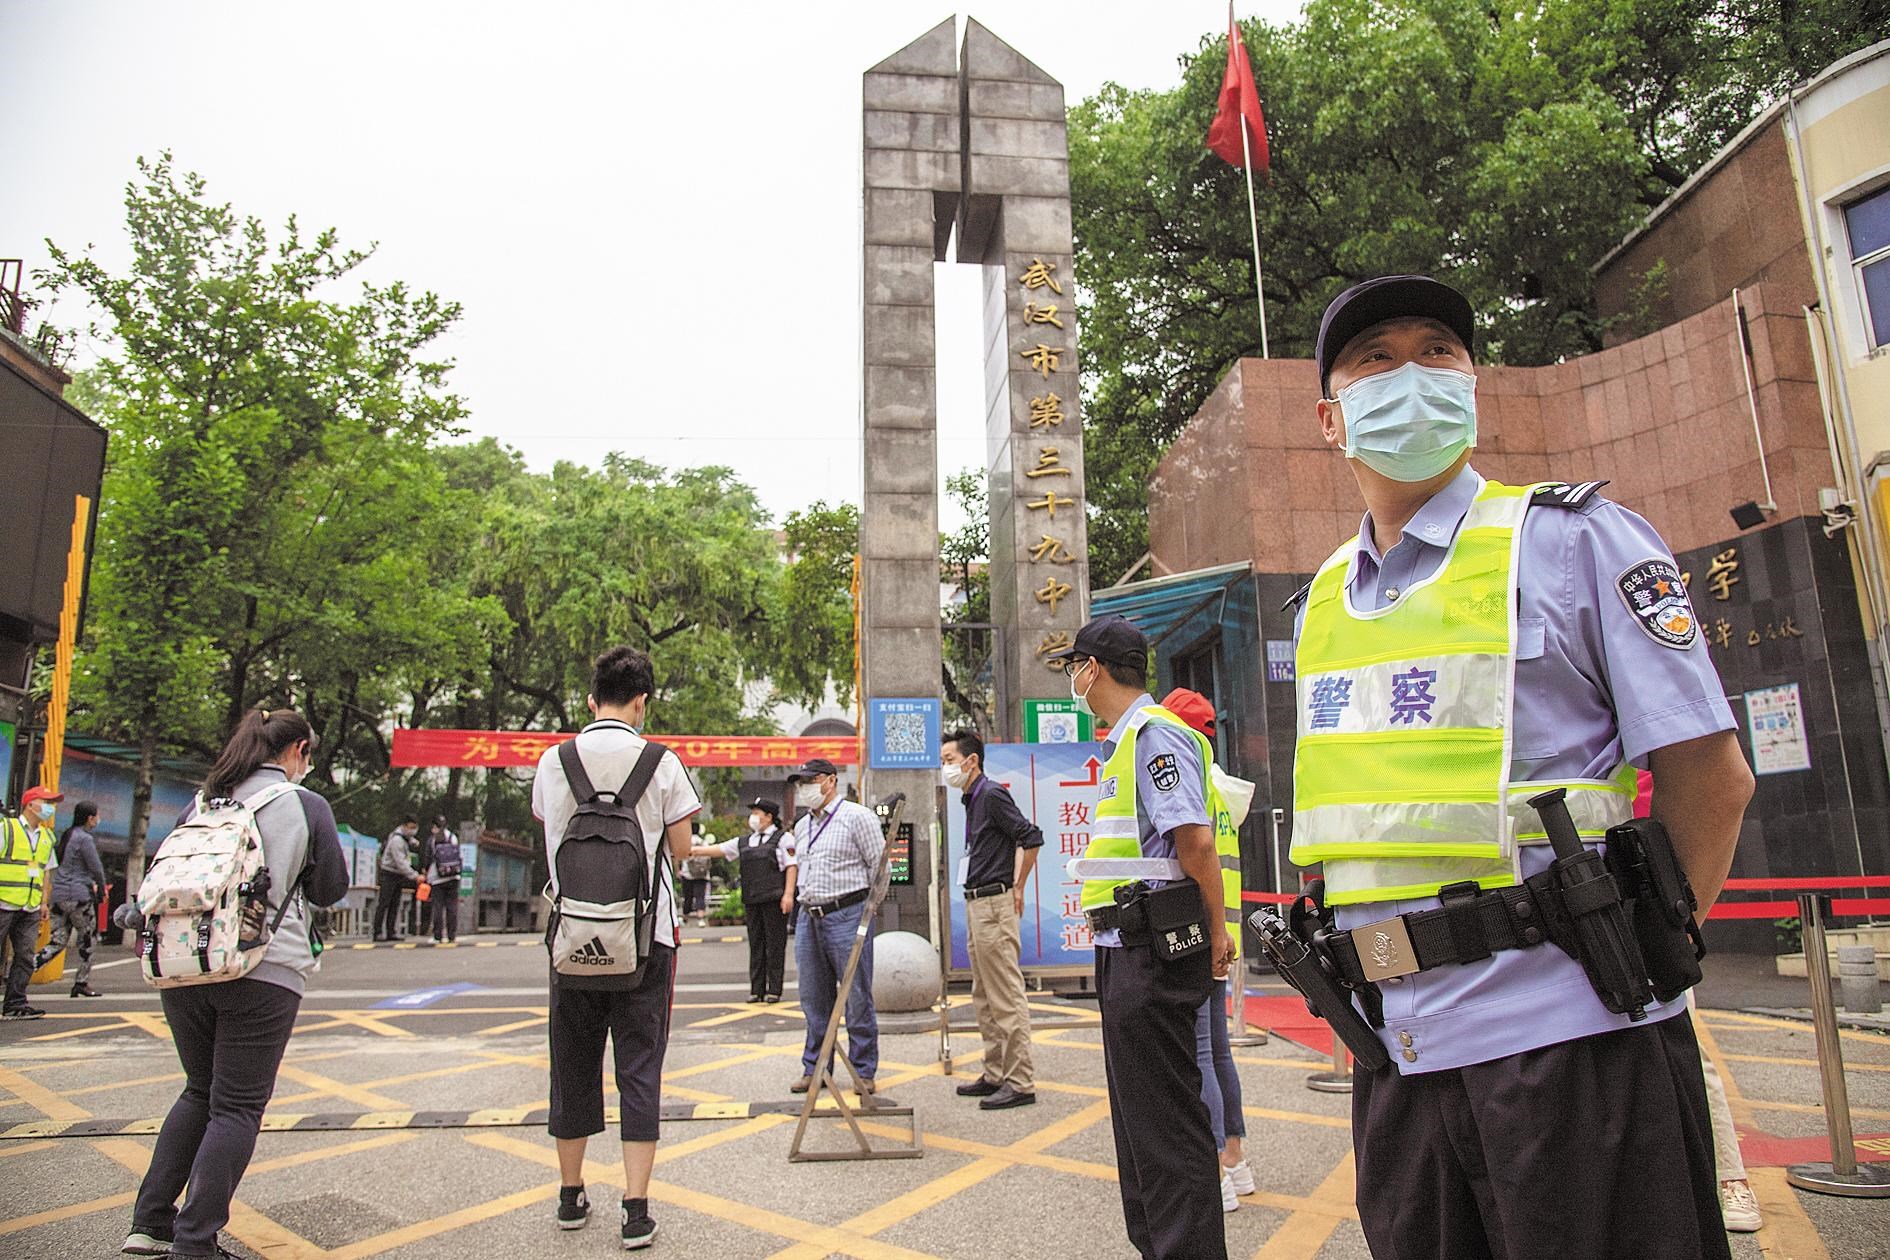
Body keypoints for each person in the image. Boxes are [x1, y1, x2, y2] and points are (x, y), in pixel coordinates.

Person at [1288, 275, 1753, 1259]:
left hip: (1574, 1046)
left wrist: (1649, 952)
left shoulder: (1574, 540)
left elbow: (1712, 777)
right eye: (1376, 358)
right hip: (1402, 1062)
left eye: (1437, 352)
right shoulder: (1325, 601)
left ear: (1471, 386)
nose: (1412, 375)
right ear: (1332, 419)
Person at [121, 708, 349, 1259]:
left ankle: (151, 1222)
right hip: (261, 969)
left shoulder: (201, 805)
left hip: (183, 967)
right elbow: (330, 889)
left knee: (199, 1091)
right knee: (237, 1107)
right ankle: (195, 1242)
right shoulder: (304, 804)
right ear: (297, 751)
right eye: (309, 756)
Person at [1049, 616, 1234, 1260]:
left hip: (1152, 951)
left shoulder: (1155, 736)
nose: (1072, 677)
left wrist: (1217, 931)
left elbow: (1196, 841)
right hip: (1123, 950)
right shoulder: (1125, 742)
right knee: (1138, 1124)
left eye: (1073, 665)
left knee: (1165, 1126)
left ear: (1093, 668)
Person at [530, 646, 699, 1251]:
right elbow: (680, 850)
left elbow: (550, 833)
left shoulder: (554, 761)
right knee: (639, 1067)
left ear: (590, 698)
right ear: (642, 701)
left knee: (572, 1064)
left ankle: (572, 1195)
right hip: (645, 941)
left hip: (571, 940)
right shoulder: (661, 762)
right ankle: (635, 1208)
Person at [1160, 689, 1257, 1211]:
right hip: (1227, 933)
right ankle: (1237, 1159)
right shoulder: (1221, 789)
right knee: (1218, 1054)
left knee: (1199, 1057)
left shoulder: (1186, 783)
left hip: (1197, 935)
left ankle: (1216, 1166)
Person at [940, 728, 1041, 1111]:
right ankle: (995, 1071)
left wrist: (1017, 887)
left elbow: (1030, 837)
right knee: (983, 995)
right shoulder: (972, 798)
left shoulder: (993, 794)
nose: (945, 768)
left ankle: (1020, 1081)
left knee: (1005, 997)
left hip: (994, 906)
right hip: (977, 904)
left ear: (972, 761)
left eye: (949, 760)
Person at [784, 757, 885, 1097]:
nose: (805, 788)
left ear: (830, 781)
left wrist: (868, 912)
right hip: (808, 915)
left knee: (855, 995)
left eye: (810, 781)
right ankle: (815, 1068)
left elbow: (880, 867)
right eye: (801, 782)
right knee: (813, 997)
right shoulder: (803, 825)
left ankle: (863, 1070)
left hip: (847, 913)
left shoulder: (858, 817)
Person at [691, 797, 796, 1003]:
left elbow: (791, 866)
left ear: (769, 817)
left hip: (774, 899)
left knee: (774, 945)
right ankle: (757, 990)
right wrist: (692, 850)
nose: (753, 817)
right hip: (753, 898)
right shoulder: (746, 841)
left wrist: (788, 894)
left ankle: (774, 989)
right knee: (756, 944)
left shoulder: (783, 839)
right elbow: (720, 850)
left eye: (757, 813)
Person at [0, 785, 61, 1020]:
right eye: (46, 802)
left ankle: (15, 1003)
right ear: (30, 804)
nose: (50, 808)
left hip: (30, 906)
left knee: (25, 956)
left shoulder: (47, 836)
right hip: (3, 902)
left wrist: (44, 902)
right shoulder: (8, 829)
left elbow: (46, 872)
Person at [40, 799, 107, 997]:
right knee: (88, 941)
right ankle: (81, 981)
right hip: (79, 898)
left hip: (59, 897)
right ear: (90, 818)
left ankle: (26, 970)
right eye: (97, 815)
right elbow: (96, 868)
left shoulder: (68, 835)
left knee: (57, 941)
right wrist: (101, 889)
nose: (98, 819)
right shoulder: (85, 839)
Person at [373, 817, 419, 942]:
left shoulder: (403, 837)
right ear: (404, 826)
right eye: (410, 827)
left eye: (414, 827)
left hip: (398, 875)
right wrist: (415, 876)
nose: (413, 830)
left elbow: (410, 840)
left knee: (395, 904)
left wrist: (414, 842)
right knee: (384, 903)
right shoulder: (397, 841)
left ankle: (391, 931)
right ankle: (377, 932)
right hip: (389, 873)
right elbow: (401, 862)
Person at [426, 821, 463, 944]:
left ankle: (438, 936)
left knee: (438, 907)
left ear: (434, 827)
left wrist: (426, 873)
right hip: (453, 876)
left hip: (437, 878)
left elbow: (428, 859)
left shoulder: (432, 840)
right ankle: (451, 935)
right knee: (452, 907)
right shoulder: (453, 837)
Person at [679, 822, 712, 926]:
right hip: (702, 873)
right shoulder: (704, 842)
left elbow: (679, 856)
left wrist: (677, 870)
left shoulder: (686, 842)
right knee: (700, 895)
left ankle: (685, 918)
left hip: (687, 873)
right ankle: (700, 918)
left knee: (688, 896)